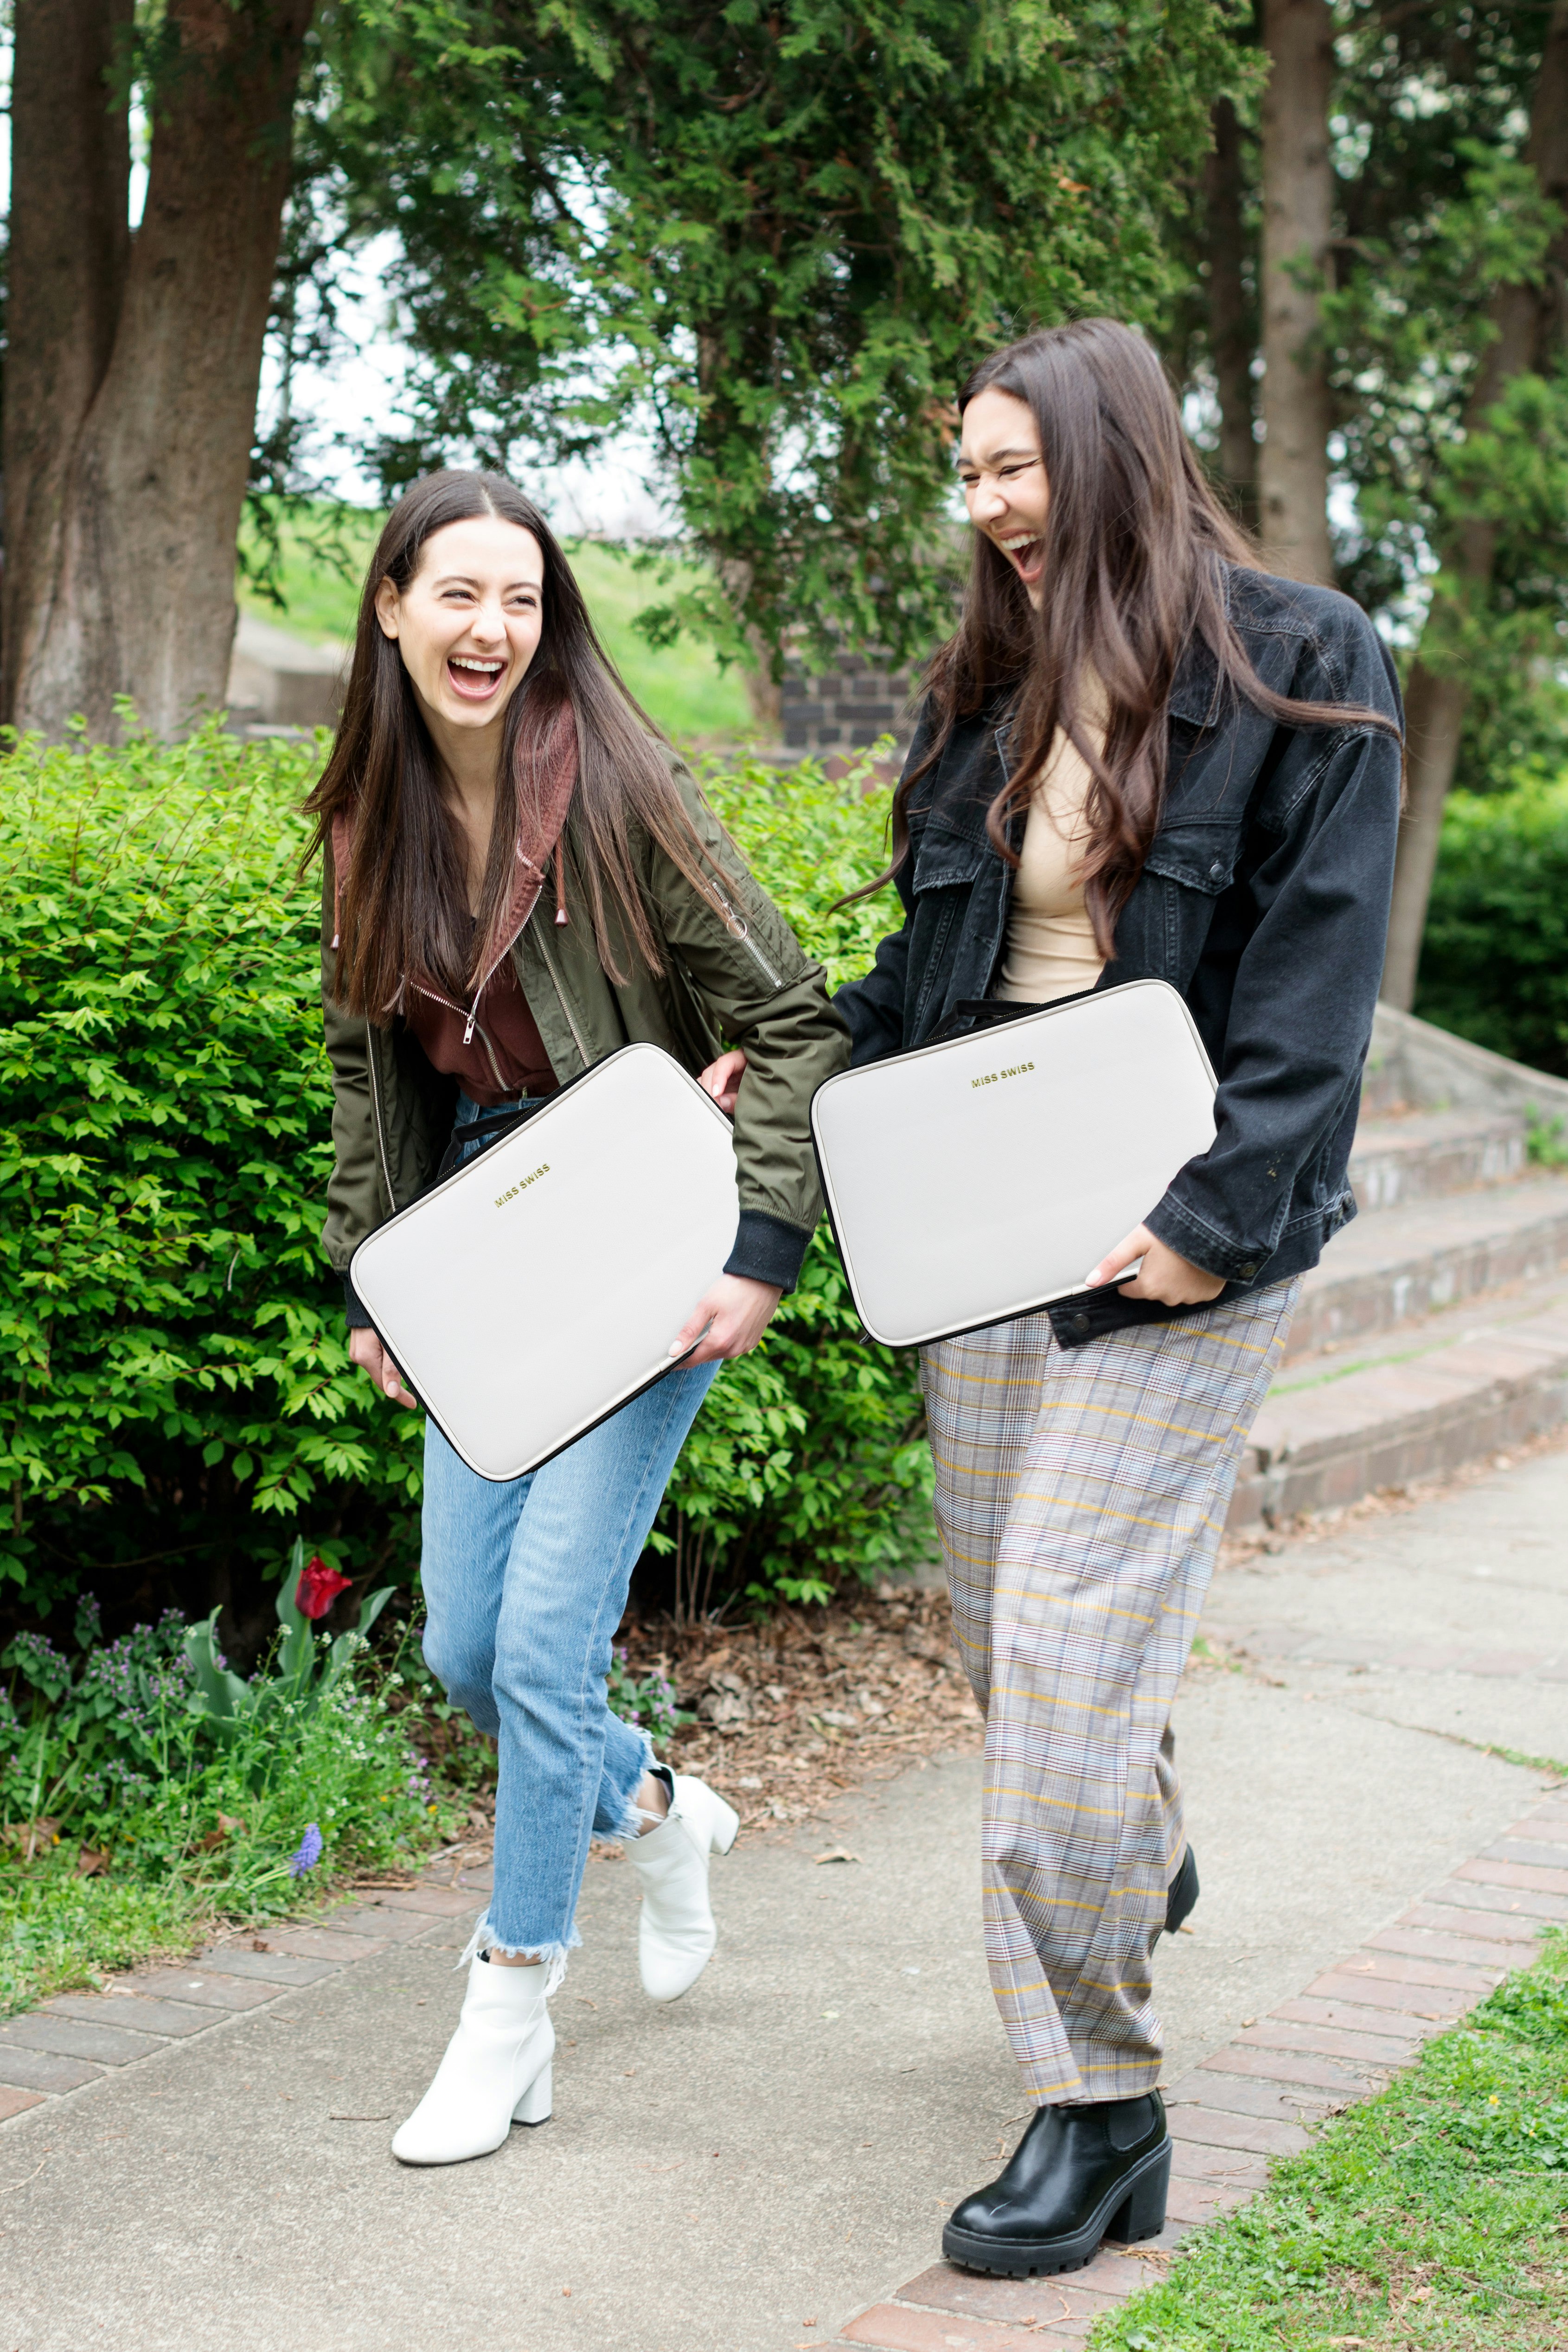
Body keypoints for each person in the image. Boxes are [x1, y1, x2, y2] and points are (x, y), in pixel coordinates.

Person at [831, 320, 1405, 2275]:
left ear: (1113, 449)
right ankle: (1131, 1852)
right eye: (968, 471)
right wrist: (795, 1086)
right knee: (1015, 1648)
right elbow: (932, 988)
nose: (988, 504)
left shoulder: (1300, 657)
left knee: (1068, 1647)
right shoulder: (981, 693)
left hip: (1186, 1234)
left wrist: (1211, 1219)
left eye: (1016, 464)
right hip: (993, 1224)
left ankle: (1100, 2106)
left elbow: (1322, 985)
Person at [306, 468, 847, 2167]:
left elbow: (796, 1012)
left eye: (522, 601)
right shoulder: (363, 820)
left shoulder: (618, 789)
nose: (492, 630)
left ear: (549, 625)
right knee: (471, 1656)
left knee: (544, 1648)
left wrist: (759, 1246)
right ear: (392, 607)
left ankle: (509, 2007)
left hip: (637, 1219)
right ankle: (662, 1812)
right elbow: (371, 1064)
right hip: (478, 1232)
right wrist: (377, 1277)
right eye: (458, 595)